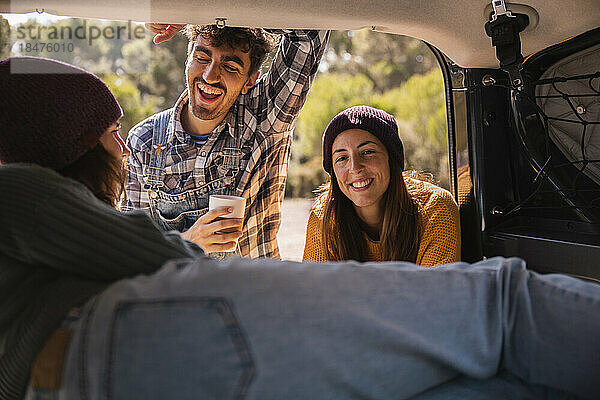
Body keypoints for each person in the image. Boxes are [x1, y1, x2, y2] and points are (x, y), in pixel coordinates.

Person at [2, 57, 600, 400]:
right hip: (121, 338)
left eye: (368, 154)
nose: (124, 149)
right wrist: (191, 246)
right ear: (70, 144)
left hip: (94, 356)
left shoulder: (428, 205)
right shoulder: (15, 192)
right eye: (111, 134)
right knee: (499, 303)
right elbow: (142, 252)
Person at [124, 24, 329, 258]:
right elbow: (131, 249)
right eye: (202, 57)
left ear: (250, 81)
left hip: (253, 292)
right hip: (178, 294)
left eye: (230, 66)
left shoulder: (266, 117)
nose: (210, 76)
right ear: (187, 59)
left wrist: (201, 8)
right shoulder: (145, 140)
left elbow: (309, 34)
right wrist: (188, 241)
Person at [303, 106, 460, 266]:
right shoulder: (323, 218)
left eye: (367, 152)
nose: (355, 167)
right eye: (342, 158)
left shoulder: (435, 207)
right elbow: (316, 289)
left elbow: (436, 289)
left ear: (391, 159)